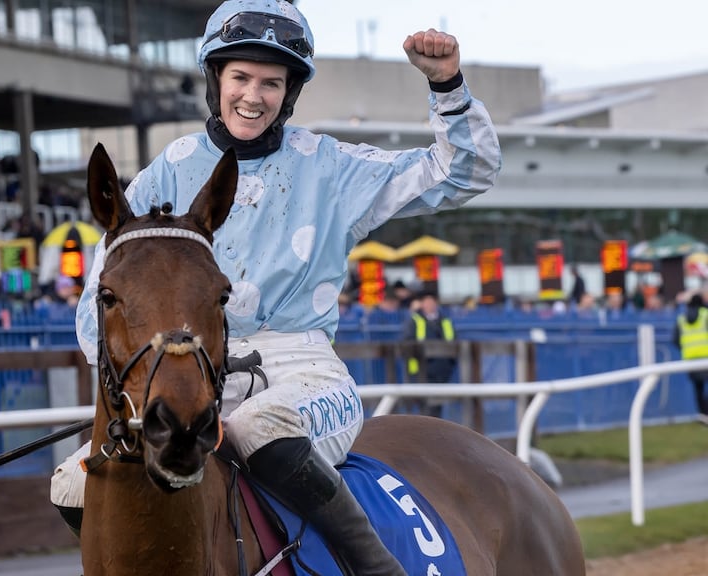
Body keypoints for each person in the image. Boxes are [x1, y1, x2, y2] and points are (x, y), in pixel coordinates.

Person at [53, 1, 500, 574]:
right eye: (240, 77)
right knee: (72, 482)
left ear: (289, 93)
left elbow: (463, 172)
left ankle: (377, 567)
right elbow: (100, 304)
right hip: (192, 374)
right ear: (216, 80)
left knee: (257, 427)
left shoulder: (332, 166)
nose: (253, 96)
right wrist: (142, 392)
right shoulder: (166, 171)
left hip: (305, 373)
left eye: (271, 83)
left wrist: (447, 85)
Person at [400, 291, 457, 417]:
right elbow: (407, 344)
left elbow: (454, 343)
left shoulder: (446, 321)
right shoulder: (414, 320)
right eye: (427, 302)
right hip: (421, 370)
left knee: (437, 405)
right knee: (424, 405)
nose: (429, 305)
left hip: (442, 370)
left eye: (431, 302)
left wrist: (449, 363)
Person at [674, 293, 708, 426]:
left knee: (698, 389)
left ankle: (703, 415)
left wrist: (687, 349)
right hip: (706, 357)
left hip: (690, 359)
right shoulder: (705, 315)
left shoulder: (682, 318)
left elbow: (675, 339)